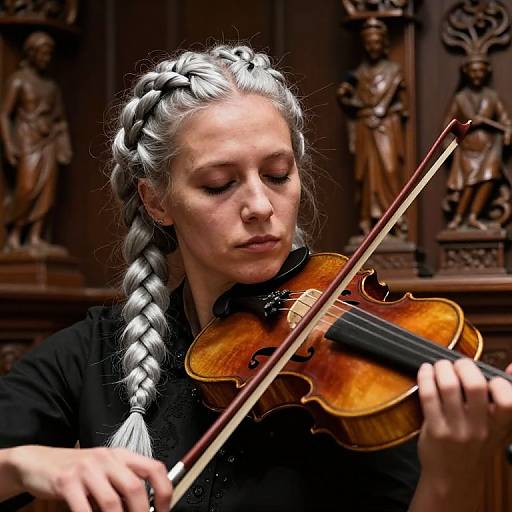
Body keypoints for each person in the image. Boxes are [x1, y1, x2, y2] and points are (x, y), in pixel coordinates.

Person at [0, 44, 512, 512]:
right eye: (220, 184)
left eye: (277, 175)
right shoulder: (93, 352)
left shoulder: (350, 381)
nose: (261, 207)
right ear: (157, 201)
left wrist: (451, 474)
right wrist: (26, 464)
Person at [0, 31, 72, 252]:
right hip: (26, 138)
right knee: (27, 187)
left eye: (49, 53)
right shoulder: (18, 81)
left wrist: (64, 142)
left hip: (48, 139)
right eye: (42, 53)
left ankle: (35, 236)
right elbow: (4, 114)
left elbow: (59, 119)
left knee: (47, 191)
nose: (46, 58)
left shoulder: (51, 86)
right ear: (31, 53)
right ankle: (13, 235)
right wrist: (9, 143)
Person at [337, 17, 408, 237]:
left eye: (376, 42)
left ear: (384, 43)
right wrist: (349, 101)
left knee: (389, 171)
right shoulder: (357, 74)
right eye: (368, 43)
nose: (372, 46)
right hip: (364, 128)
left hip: (386, 128)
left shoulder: (394, 71)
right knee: (365, 175)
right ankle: (368, 222)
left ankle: (393, 221)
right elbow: (344, 96)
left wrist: (385, 112)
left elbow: (404, 105)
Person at [443, 54, 512, 230]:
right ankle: (459, 217)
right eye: (473, 71)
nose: (477, 75)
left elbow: (506, 121)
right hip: (467, 146)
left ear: (486, 72)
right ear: (466, 72)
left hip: (489, 147)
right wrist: (450, 142)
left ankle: (473, 215)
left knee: (488, 178)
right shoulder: (460, 98)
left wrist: (507, 133)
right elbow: (448, 125)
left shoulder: (492, 97)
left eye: (480, 71)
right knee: (470, 183)